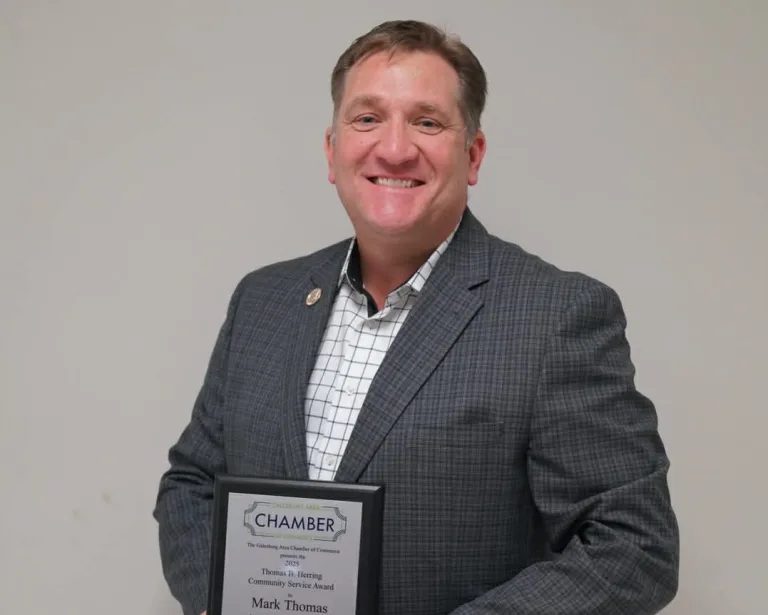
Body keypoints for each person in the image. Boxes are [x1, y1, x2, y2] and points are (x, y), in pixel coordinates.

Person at [153, 19, 679, 615]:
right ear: (332, 151)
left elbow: (635, 546)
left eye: (427, 121)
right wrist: (222, 601)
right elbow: (191, 484)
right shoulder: (263, 300)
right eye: (367, 118)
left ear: (472, 153)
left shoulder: (556, 317)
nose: (395, 148)